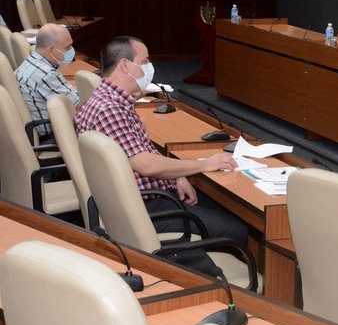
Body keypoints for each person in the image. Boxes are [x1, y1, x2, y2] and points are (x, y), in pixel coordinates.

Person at [74, 35, 248, 244]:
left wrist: (176, 175)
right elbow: (146, 164)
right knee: (236, 229)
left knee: (220, 207)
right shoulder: (110, 110)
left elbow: (143, 149)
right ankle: (203, 272)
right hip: (146, 206)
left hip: (143, 196)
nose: (150, 67)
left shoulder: (109, 99)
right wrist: (203, 164)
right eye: (145, 61)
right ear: (125, 65)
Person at [15, 23, 80, 139]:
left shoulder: (30, 63)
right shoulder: (45, 74)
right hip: (52, 136)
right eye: (67, 47)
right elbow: (78, 105)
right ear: (51, 50)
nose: (72, 50)